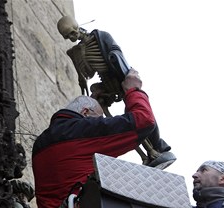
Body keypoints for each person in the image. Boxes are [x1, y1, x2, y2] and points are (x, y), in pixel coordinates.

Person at [32, 68, 158, 208]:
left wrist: (96, 100)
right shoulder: (82, 131)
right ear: (87, 115)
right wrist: (133, 90)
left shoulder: (44, 143)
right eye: (98, 118)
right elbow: (143, 121)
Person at [57, 15, 176, 170]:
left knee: (137, 114)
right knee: (115, 123)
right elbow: (86, 75)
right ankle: (145, 155)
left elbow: (115, 53)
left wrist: (126, 78)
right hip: (104, 85)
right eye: (68, 36)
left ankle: (156, 149)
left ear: (77, 26)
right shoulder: (76, 52)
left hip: (119, 79)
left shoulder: (101, 36)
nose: (72, 37)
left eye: (72, 32)